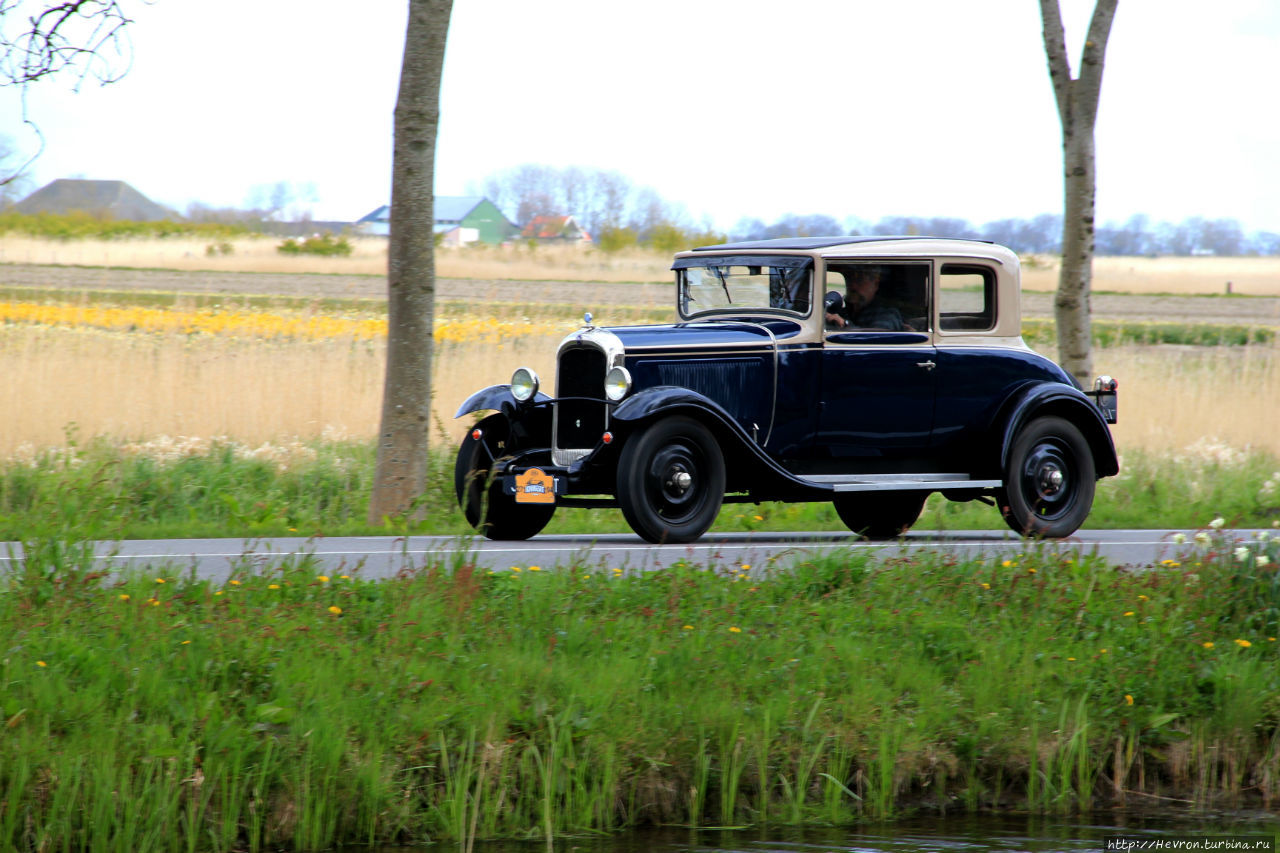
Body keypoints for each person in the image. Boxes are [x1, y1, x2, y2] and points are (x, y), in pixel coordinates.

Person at [824, 266, 907, 331]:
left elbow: (877, 338)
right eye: (849, 280)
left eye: (860, 280)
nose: (853, 286)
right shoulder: (843, 312)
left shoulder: (889, 315)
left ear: (875, 284)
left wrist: (843, 324)